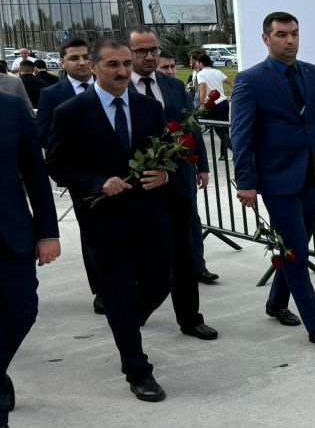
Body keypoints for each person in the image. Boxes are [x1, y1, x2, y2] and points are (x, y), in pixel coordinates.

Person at [45, 37, 173, 402]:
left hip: (150, 216)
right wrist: (96, 181)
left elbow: (165, 153)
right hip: (103, 221)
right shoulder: (70, 112)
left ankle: (127, 322)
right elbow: (56, 164)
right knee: (117, 294)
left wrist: (165, 174)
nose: (122, 71)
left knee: (159, 283)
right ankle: (137, 368)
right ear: (94, 67)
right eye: (113, 65)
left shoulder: (149, 108)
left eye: (126, 65)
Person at [230, 11, 315, 347]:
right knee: (296, 250)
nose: (290, 41)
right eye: (282, 34)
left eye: (295, 33)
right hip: (277, 179)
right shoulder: (250, 80)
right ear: (266, 39)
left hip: (314, 175)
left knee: (296, 246)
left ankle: (276, 302)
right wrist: (246, 181)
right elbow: (241, 135)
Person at [0, 34, 60, 428]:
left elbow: (35, 174)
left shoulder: (7, 107)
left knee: (22, 313)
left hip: (10, 236)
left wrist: (48, 231)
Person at [128, 27, 219, 339]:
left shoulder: (172, 85)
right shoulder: (117, 87)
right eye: (141, 51)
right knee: (147, 262)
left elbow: (189, 129)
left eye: (153, 49)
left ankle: (190, 319)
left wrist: (201, 166)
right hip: (134, 191)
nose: (150, 56)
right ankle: (136, 310)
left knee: (184, 256)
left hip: (175, 185)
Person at [37, 37, 104, 313]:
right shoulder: (53, 94)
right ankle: (101, 289)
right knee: (92, 234)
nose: (80, 62)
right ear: (62, 63)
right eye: (73, 58)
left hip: (119, 172)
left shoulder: (108, 86)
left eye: (85, 56)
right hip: (81, 177)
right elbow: (42, 133)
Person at [159, 52, 219, 284]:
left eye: (173, 66)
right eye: (165, 67)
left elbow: (193, 128)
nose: (171, 72)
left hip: (184, 167)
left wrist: (202, 166)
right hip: (155, 169)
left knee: (192, 219)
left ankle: (198, 265)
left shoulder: (180, 91)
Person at [194, 54, 231, 159]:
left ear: (201, 63)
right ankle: (223, 154)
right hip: (224, 102)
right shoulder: (217, 72)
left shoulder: (201, 74)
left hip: (213, 103)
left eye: (197, 62)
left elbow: (203, 89)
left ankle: (236, 150)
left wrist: (201, 105)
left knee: (219, 131)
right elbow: (230, 83)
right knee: (225, 129)